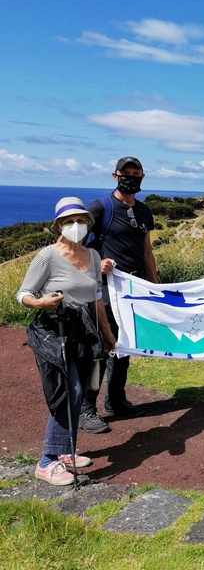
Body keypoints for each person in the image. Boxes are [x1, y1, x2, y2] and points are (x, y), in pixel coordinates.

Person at [17, 197, 116, 485]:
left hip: (86, 331)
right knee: (68, 391)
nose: (76, 226)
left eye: (81, 220)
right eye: (69, 221)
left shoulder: (93, 256)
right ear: (59, 225)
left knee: (82, 388)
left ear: (88, 224)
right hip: (55, 331)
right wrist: (38, 303)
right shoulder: (47, 256)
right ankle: (47, 461)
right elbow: (23, 292)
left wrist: (108, 334)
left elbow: (96, 295)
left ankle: (64, 451)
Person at [79, 157, 158, 434]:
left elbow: (147, 250)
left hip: (133, 288)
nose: (131, 178)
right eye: (126, 173)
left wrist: (155, 285)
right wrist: (94, 264)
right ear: (115, 176)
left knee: (124, 345)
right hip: (103, 288)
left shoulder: (145, 211)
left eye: (136, 174)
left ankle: (115, 400)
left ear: (143, 176)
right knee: (101, 348)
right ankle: (86, 409)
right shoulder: (101, 208)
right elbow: (71, 244)